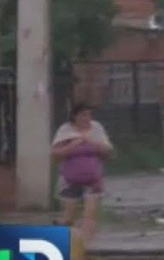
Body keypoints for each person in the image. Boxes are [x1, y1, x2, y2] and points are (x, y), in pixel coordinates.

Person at [51, 103, 114, 242]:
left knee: (90, 215)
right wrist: (75, 143)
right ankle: (64, 235)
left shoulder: (96, 128)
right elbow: (56, 154)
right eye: (83, 115)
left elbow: (108, 151)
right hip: (70, 179)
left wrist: (91, 141)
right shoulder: (65, 130)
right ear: (75, 116)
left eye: (89, 115)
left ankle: (86, 245)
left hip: (93, 178)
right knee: (69, 217)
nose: (87, 118)